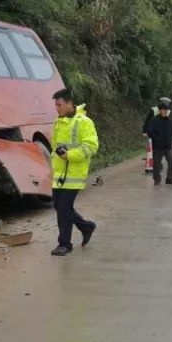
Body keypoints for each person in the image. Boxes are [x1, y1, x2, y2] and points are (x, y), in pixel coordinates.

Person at [49, 88, 100, 256]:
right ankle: (86, 227)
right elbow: (55, 147)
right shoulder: (58, 122)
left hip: (75, 174)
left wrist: (69, 155)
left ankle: (65, 244)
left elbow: (91, 147)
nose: (57, 108)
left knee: (64, 208)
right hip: (59, 174)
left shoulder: (84, 122)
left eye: (60, 105)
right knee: (59, 206)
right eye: (56, 105)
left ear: (70, 104)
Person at [143, 97, 172, 185]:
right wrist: (157, 139)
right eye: (163, 110)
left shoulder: (169, 121)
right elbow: (150, 132)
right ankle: (157, 179)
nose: (164, 111)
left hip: (168, 146)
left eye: (166, 110)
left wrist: (170, 140)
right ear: (160, 110)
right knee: (157, 165)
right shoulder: (154, 120)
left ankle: (170, 178)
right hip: (158, 147)